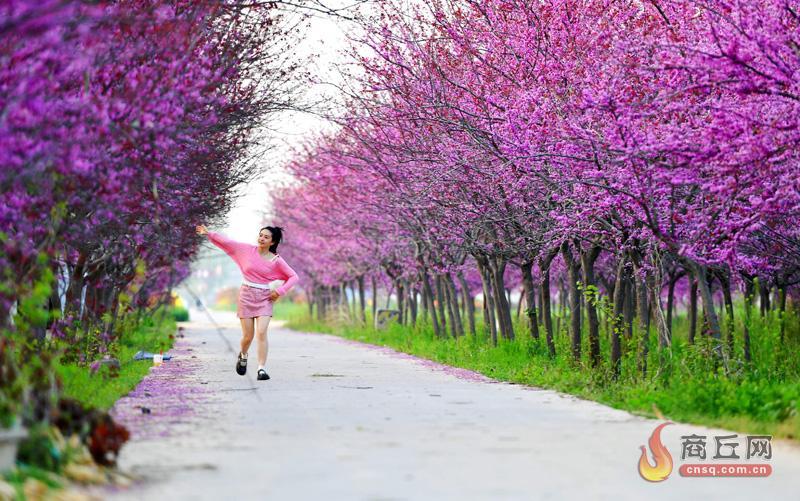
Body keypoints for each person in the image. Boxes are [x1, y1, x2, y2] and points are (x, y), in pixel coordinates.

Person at [195, 224, 298, 381]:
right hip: (246, 296)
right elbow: (227, 243)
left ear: (272, 242)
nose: (262, 238)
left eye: (266, 237)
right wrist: (209, 233)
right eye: (260, 235)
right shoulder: (246, 250)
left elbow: (293, 277)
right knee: (248, 337)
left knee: (262, 332)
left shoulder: (277, 261)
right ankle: (243, 355)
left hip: (265, 297)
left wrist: (279, 292)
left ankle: (261, 369)